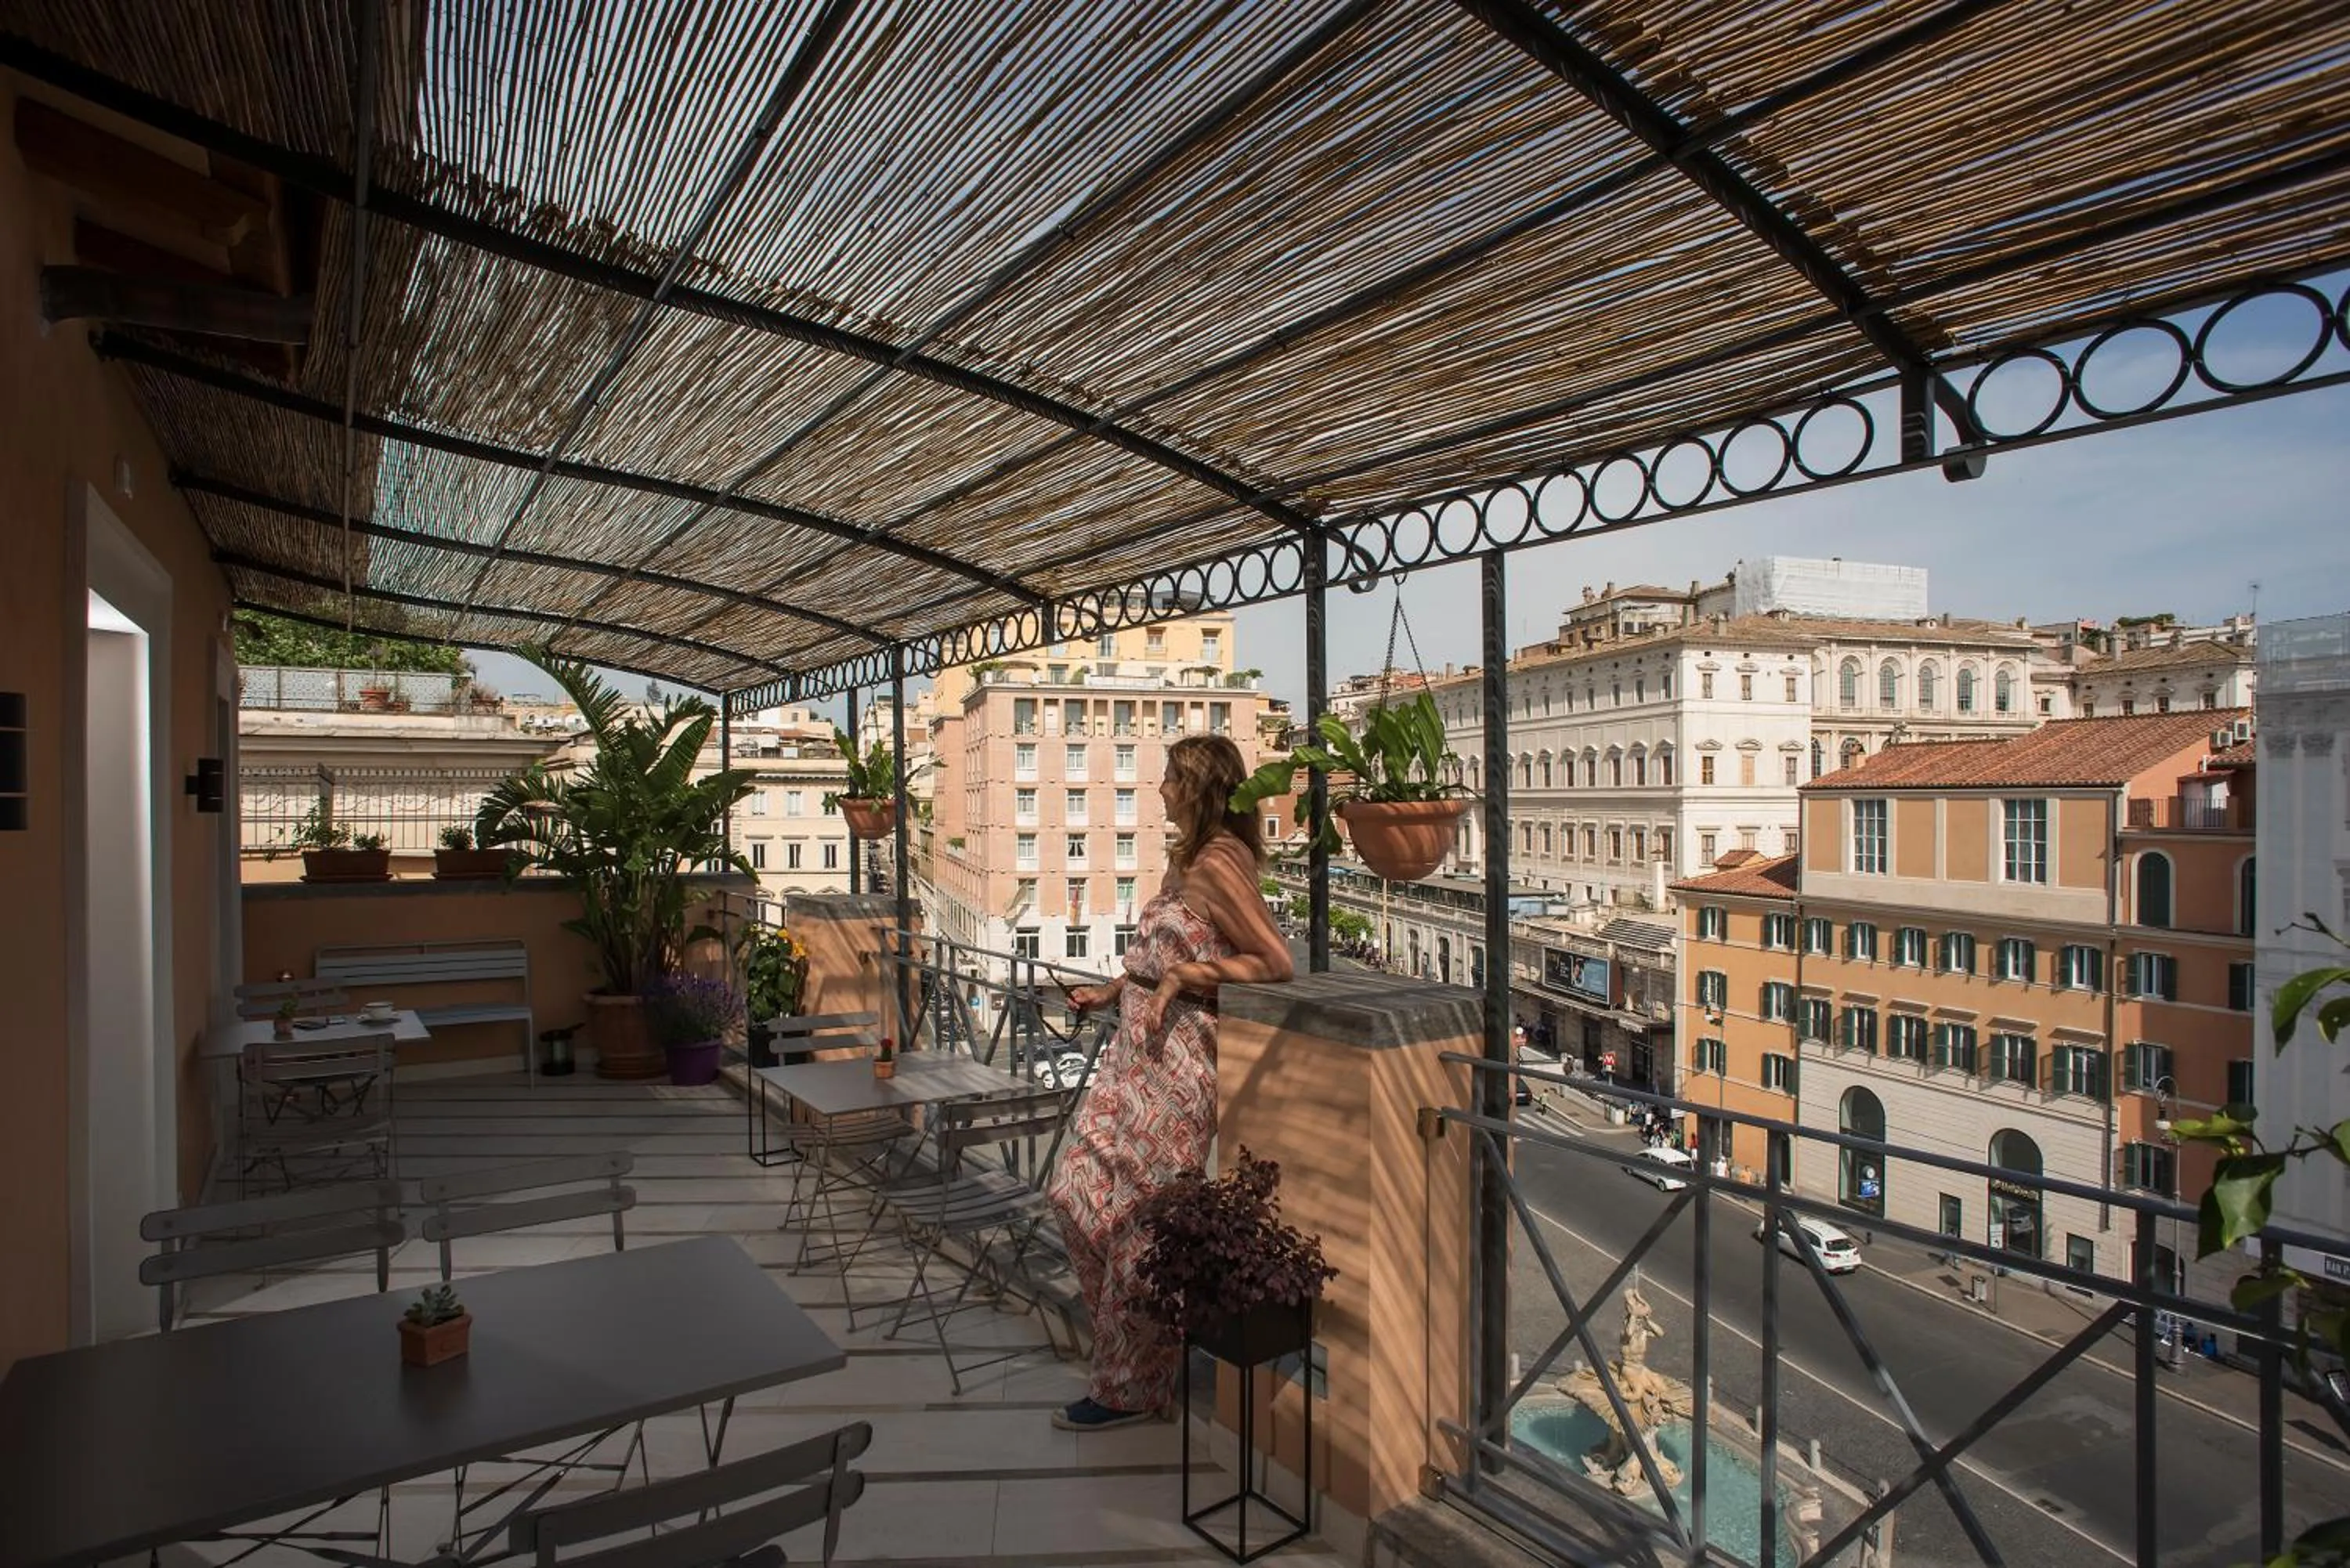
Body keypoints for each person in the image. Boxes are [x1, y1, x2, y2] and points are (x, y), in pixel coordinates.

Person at [1046, 735, 1294, 1431]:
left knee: (1139, 1223)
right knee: (1073, 1191)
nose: (1159, 790)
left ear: (1201, 788)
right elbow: (1162, 952)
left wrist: (1186, 979)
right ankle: (1137, 1344)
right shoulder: (1186, 861)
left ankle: (1132, 1385)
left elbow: (1273, 961)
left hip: (1182, 1059)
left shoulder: (1220, 864)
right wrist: (1115, 988)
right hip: (1135, 1048)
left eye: (1170, 779)